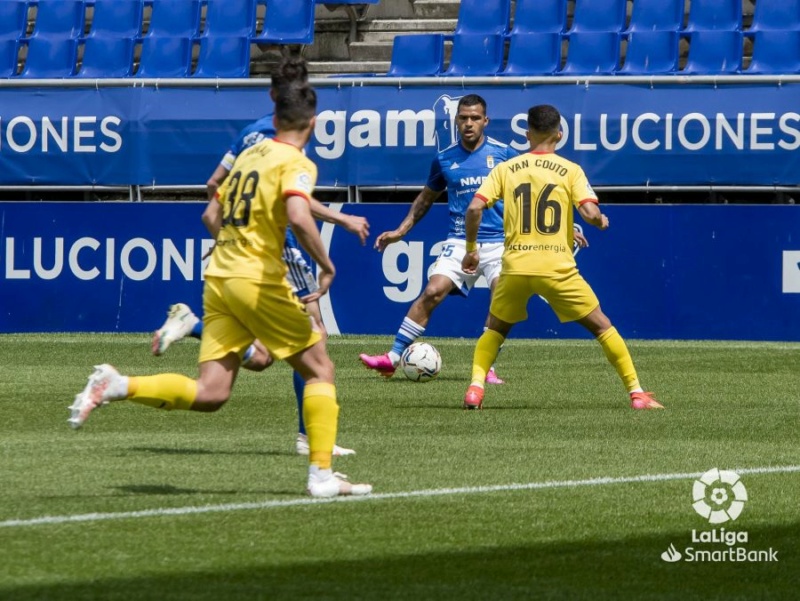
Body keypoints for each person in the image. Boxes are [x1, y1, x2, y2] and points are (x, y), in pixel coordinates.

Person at [69, 84, 372, 498]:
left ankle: (117, 385)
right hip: (256, 277)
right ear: (314, 123)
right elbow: (300, 217)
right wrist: (328, 264)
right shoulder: (296, 160)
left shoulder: (249, 154)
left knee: (212, 392)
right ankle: (321, 475)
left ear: (275, 117)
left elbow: (212, 209)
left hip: (219, 276)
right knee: (320, 367)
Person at [152, 54, 369, 457]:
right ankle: (310, 439)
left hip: (239, 246)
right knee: (315, 338)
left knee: (262, 357)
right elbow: (295, 207)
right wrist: (339, 221)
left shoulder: (251, 136)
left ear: (272, 94)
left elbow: (214, 185)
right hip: (274, 245)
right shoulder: (284, 140)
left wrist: (229, 236)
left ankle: (193, 326)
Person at [359, 94, 587, 381]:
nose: (469, 123)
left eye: (475, 118)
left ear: (486, 121)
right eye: (463, 118)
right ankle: (392, 358)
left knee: (500, 300)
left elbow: (539, 190)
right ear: (456, 120)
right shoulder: (444, 159)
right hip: (459, 241)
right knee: (432, 292)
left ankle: (486, 367)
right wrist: (400, 231)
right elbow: (425, 199)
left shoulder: (505, 155)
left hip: (501, 243)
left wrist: (569, 225)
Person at [460, 104, 663, 411]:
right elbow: (589, 212)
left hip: (515, 267)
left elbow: (474, 208)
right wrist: (600, 221)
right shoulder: (570, 170)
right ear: (559, 134)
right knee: (602, 326)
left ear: (527, 134)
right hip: (556, 267)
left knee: (496, 329)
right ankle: (637, 393)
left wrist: (471, 248)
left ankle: (475, 389)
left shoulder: (505, 169)